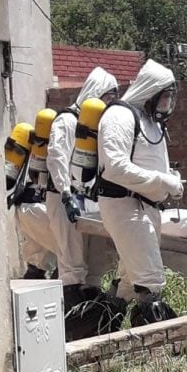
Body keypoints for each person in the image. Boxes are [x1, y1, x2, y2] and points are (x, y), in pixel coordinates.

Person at [90, 59, 183, 329]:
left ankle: (94, 333)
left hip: (146, 207)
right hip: (124, 205)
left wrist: (169, 181)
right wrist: (162, 180)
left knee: (129, 284)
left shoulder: (150, 121)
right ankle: (162, 355)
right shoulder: (119, 116)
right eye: (164, 97)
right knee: (150, 281)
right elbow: (114, 167)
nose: (167, 104)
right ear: (152, 93)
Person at [47, 67, 119, 313]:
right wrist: (66, 194)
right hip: (63, 198)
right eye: (107, 97)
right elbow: (57, 158)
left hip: (88, 202)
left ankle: (91, 318)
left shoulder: (97, 127)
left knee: (95, 263)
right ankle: (70, 323)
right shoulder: (67, 121)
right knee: (72, 261)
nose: (109, 103)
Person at [5, 122, 58, 279]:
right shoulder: (59, 143)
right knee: (70, 254)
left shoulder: (37, 144)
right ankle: (67, 294)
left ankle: (35, 280)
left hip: (25, 205)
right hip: (40, 209)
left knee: (38, 261)